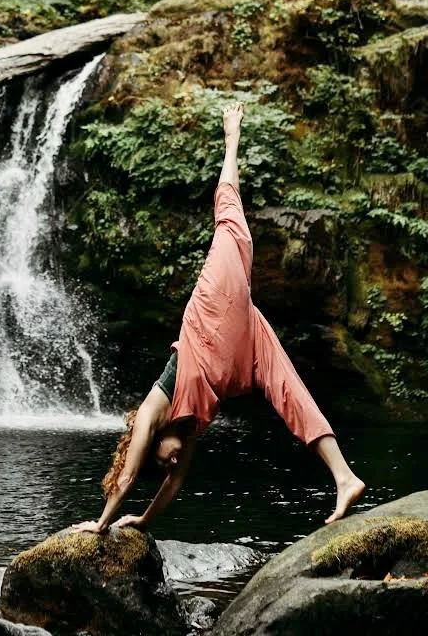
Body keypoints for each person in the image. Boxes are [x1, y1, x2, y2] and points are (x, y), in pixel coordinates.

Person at [74, 102, 366, 535]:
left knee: (229, 222)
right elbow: (174, 485)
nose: (170, 460)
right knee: (289, 390)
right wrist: (144, 519)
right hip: (235, 355)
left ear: (151, 441)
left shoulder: (155, 407)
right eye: (168, 462)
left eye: (161, 456)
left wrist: (102, 524)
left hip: (212, 318)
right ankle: (345, 477)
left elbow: (127, 477)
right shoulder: (184, 437)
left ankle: (232, 137)